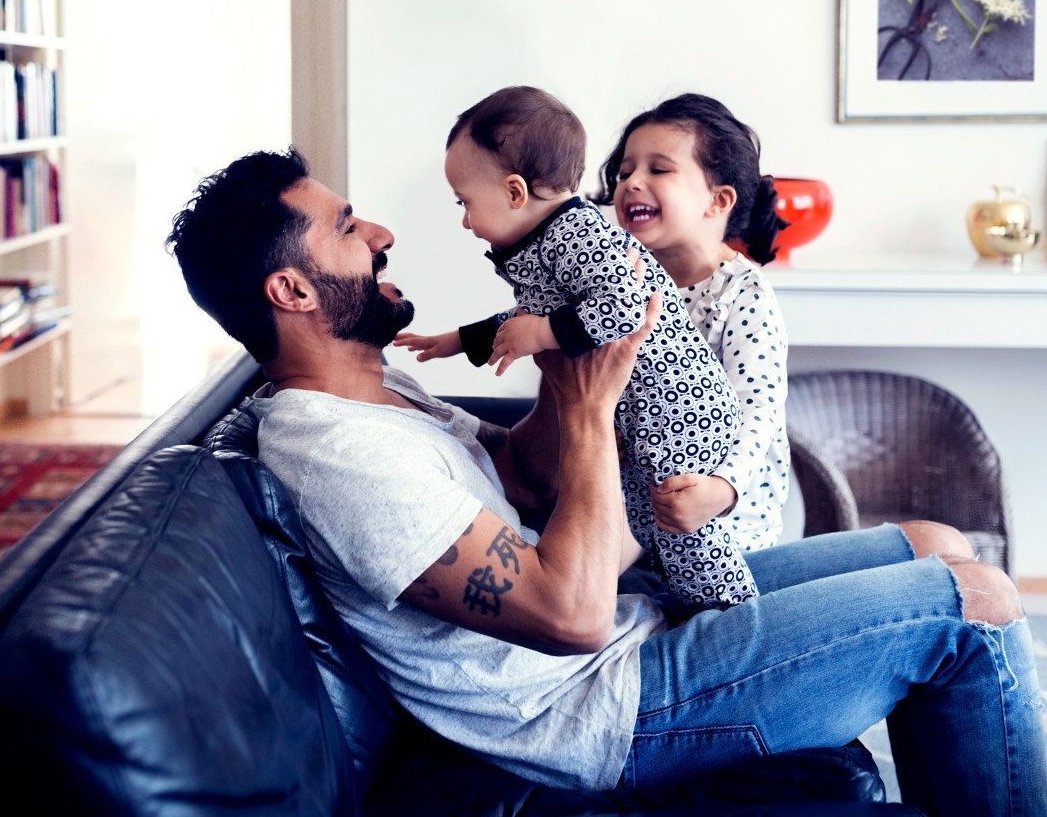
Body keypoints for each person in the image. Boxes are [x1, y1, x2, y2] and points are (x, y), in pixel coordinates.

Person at [166, 147, 1046, 815]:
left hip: (640, 627)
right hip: (600, 708)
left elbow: (519, 476)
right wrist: (592, 413)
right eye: (349, 229)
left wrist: (571, 348)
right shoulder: (334, 450)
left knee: (938, 546)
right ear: (293, 289)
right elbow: (572, 615)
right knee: (978, 603)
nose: (382, 235)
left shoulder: (381, 388)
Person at [393, 85, 757, 611]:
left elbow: (624, 307)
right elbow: (535, 315)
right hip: (644, 416)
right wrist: (457, 341)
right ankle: (685, 606)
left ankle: (732, 614)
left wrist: (540, 335)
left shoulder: (576, 233)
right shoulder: (547, 238)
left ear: (516, 192)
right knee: (644, 523)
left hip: (680, 409)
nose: (466, 221)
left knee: (683, 531)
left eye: (466, 202)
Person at [593, 93, 791, 551]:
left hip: (726, 532)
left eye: (658, 170)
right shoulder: (619, 279)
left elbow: (758, 410)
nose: (632, 182)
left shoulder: (742, 293)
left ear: (717, 200)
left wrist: (722, 489)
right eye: (625, 172)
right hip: (631, 511)